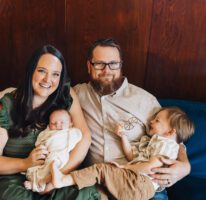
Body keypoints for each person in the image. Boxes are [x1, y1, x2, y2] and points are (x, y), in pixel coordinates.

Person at [0, 45, 100, 200]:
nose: (48, 80)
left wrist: (57, 178)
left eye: (55, 74)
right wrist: (25, 163)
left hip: (57, 170)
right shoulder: (5, 109)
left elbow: (84, 137)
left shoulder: (65, 94)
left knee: (84, 193)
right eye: (42, 71)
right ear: (31, 70)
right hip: (15, 177)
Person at [73, 38, 191, 199]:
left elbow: (173, 136)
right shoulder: (78, 94)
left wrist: (185, 166)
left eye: (113, 63)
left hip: (141, 184)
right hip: (98, 184)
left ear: (121, 65)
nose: (107, 70)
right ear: (89, 66)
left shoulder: (145, 100)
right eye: (99, 64)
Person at [50, 107, 195, 200]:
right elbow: (132, 156)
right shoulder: (153, 142)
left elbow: (152, 166)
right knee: (100, 185)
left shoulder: (166, 144)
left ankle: (63, 180)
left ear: (170, 132)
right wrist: (123, 137)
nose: (151, 121)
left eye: (157, 120)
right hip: (137, 184)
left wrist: (124, 168)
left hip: (141, 183)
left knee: (101, 170)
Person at [24, 109, 82, 192]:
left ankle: (38, 184)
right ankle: (40, 182)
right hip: (47, 155)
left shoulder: (71, 132)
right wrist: (40, 146)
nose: (58, 125)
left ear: (70, 124)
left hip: (60, 154)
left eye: (62, 122)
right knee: (38, 169)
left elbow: (79, 135)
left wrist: (74, 132)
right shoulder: (48, 132)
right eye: (53, 123)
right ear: (49, 125)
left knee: (53, 163)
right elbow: (40, 140)